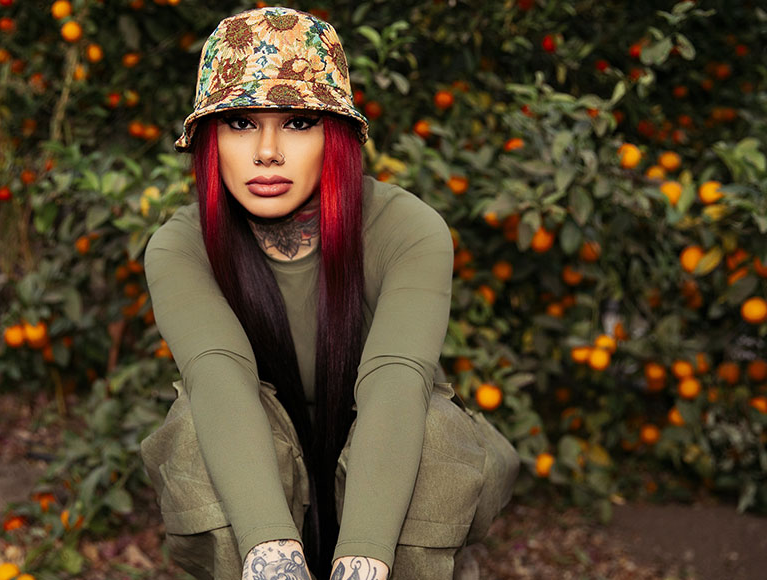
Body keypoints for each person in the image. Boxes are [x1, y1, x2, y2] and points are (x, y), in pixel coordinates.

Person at [141, 7, 518, 580]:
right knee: (194, 432)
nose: (268, 151)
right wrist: (273, 555)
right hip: (257, 459)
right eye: (242, 123)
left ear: (335, 137)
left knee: (437, 435)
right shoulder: (181, 246)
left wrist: (363, 556)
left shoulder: (407, 229)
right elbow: (218, 374)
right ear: (209, 141)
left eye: (298, 122)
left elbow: (397, 377)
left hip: (383, 457)